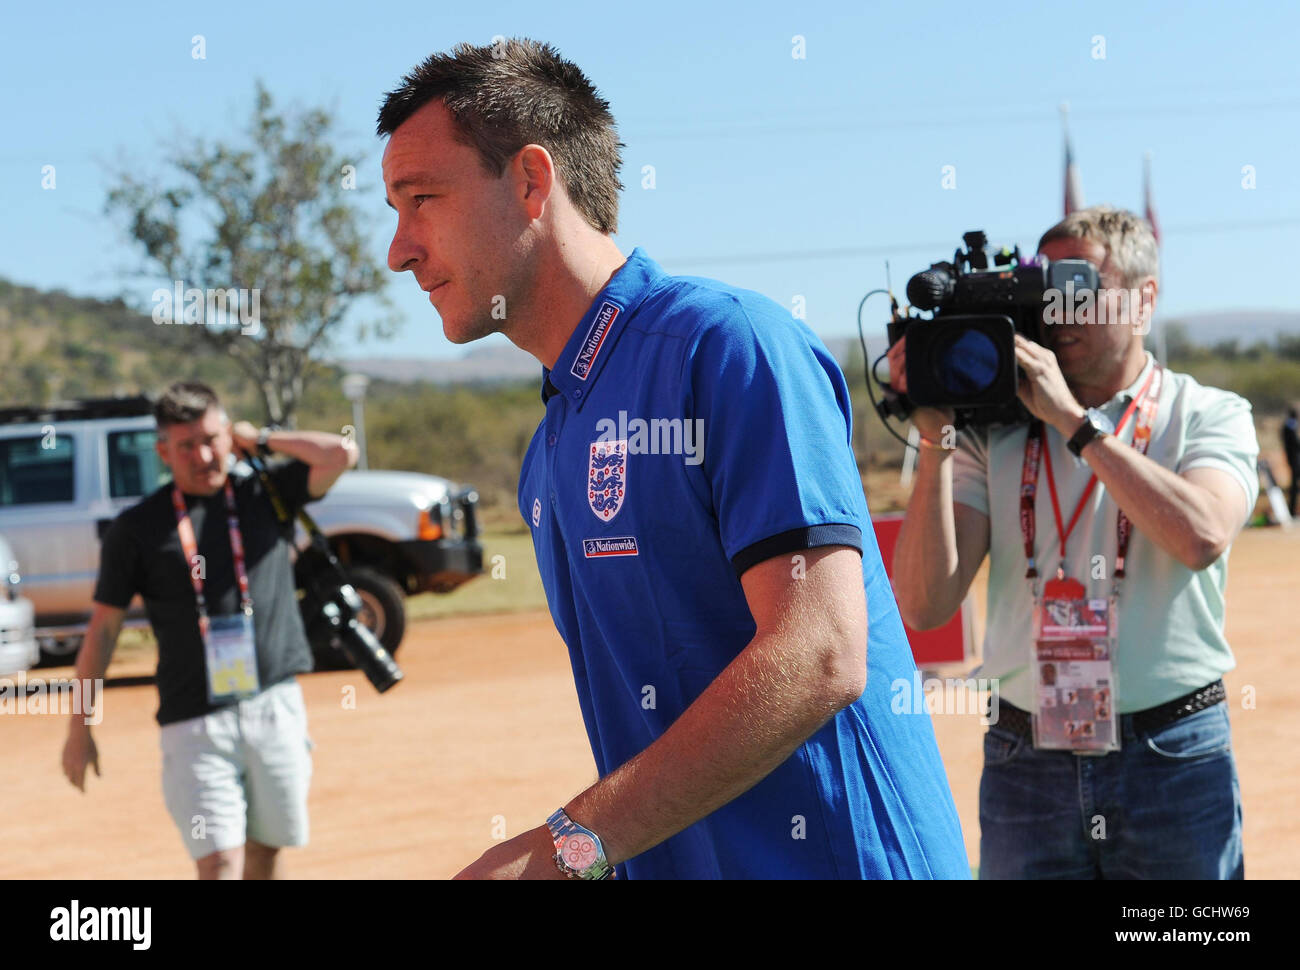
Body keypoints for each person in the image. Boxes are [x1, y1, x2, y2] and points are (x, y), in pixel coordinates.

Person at [377, 38, 969, 879]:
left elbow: (820, 654)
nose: (399, 249)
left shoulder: (729, 345)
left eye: (422, 200)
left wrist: (569, 846)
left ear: (532, 182)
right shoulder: (550, 446)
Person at [890, 205, 1259, 879]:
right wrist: (937, 433)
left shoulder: (1206, 414)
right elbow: (924, 604)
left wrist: (1073, 422)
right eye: (1045, 288)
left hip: (1171, 750)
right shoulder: (992, 434)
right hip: (1024, 758)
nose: (1059, 310)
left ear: (1145, 298)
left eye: (1080, 287)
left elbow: (1202, 535)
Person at [61, 381, 358, 879]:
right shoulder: (136, 529)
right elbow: (103, 631)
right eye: (185, 445)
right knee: (219, 862)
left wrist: (261, 439)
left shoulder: (263, 491)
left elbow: (340, 454)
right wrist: (79, 726)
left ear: (229, 434)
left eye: (212, 438)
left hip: (273, 707)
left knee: (265, 852)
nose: (203, 455)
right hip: (194, 724)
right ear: (163, 452)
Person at [1282, 405, 1299, 516]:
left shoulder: (1287, 426)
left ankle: (1292, 510)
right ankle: (1291, 510)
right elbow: (1295, 443)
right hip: (1295, 460)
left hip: (1292, 459)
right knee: (1294, 486)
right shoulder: (1290, 426)